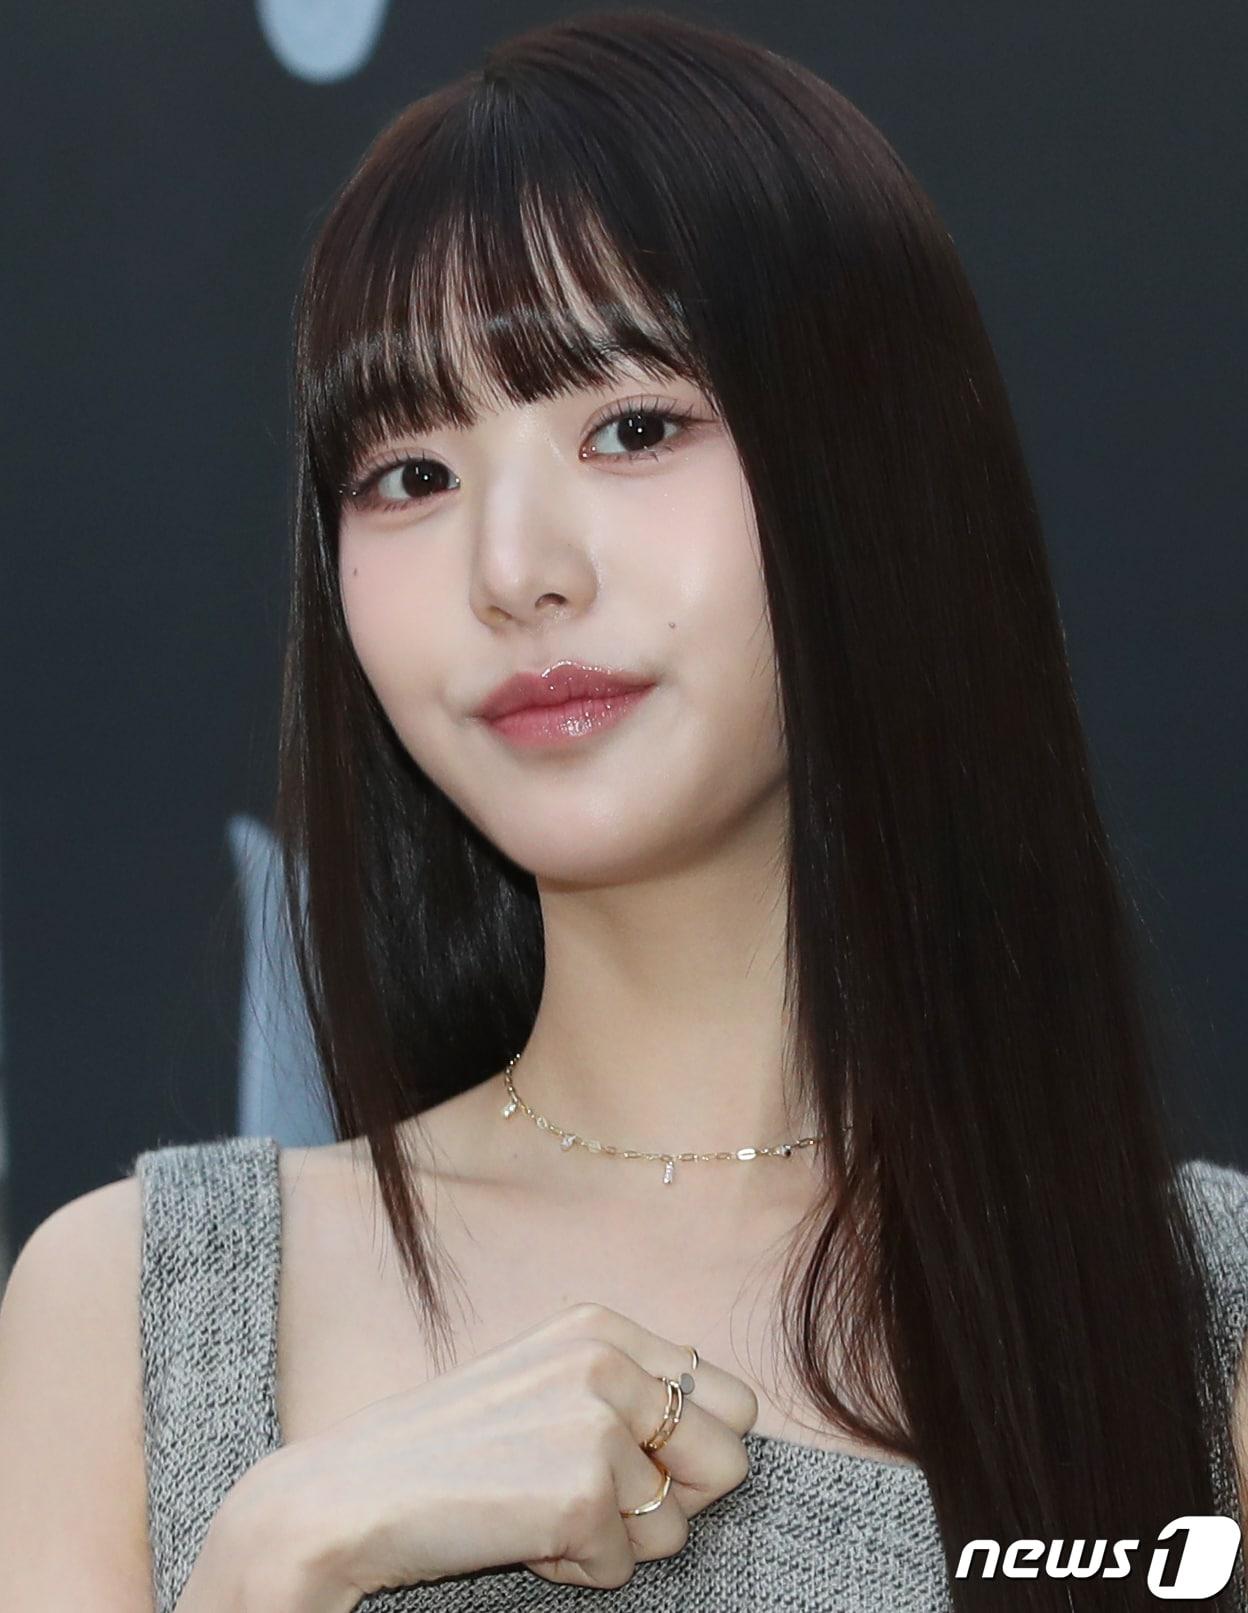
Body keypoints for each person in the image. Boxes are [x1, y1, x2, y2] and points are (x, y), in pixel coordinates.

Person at [3, 8, 1247, 1611]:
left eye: (634, 427)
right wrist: (265, 1566)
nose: (515, 569)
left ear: (873, 468)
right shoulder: (135, 1310)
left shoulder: (1199, 1331)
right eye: (409, 474)